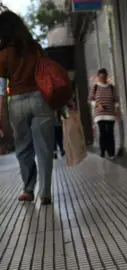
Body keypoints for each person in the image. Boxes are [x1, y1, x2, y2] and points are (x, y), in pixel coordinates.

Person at [0, 11, 55, 205]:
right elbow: (50, 73)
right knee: (44, 148)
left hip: (17, 103)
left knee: (23, 149)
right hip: (40, 100)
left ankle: (28, 189)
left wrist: (2, 113)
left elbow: (1, 88)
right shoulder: (36, 48)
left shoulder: (3, 54)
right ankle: (46, 192)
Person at [88, 68, 119, 159]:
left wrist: (117, 110)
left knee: (110, 132)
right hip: (100, 114)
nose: (103, 79)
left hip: (110, 114)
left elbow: (116, 100)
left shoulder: (111, 87)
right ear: (98, 77)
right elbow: (90, 99)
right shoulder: (95, 87)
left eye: (104, 77)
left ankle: (111, 152)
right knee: (103, 133)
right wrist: (97, 104)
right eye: (101, 77)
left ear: (106, 77)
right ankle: (102, 150)